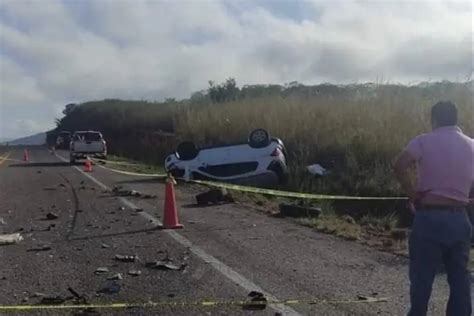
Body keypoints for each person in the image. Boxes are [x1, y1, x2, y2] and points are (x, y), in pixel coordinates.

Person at [394, 101, 474, 316]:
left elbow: (400, 165)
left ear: (434, 119)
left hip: (429, 215)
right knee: (460, 278)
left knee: (422, 278)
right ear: (456, 118)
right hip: (459, 218)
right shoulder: (471, 145)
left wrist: (413, 195)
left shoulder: (423, 141)